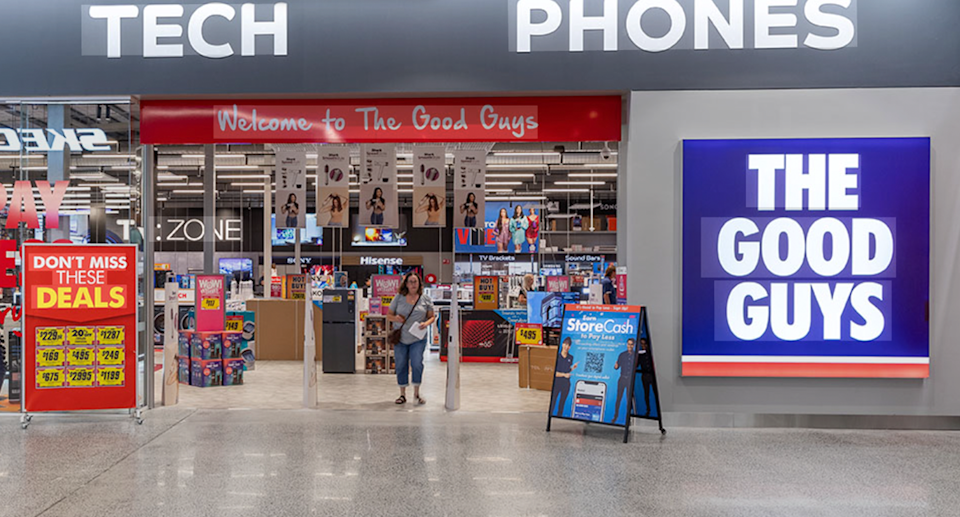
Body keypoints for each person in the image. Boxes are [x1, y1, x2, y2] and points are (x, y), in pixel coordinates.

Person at [387, 272, 436, 405]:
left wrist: (425, 323)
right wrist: (395, 318)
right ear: (406, 284)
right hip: (401, 338)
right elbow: (388, 315)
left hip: (418, 339)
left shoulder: (425, 299)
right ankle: (402, 394)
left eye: (415, 281)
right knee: (401, 365)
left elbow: (432, 316)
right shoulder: (399, 298)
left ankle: (416, 393)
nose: (413, 284)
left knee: (417, 364)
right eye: (410, 282)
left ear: (419, 283)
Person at [552, 337, 578, 417]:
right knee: (553, 401)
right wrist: (564, 375)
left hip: (566, 384)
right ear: (562, 344)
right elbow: (554, 373)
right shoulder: (557, 356)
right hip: (557, 382)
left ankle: (559, 416)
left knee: (562, 402)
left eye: (569, 345)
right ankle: (551, 415)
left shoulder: (571, 357)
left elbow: (567, 370)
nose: (567, 347)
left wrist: (572, 368)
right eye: (565, 344)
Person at [612, 338, 636, 424]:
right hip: (622, 379)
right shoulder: (622, 355)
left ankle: (628, 419)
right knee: (618, 398)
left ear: (633, 345)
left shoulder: (635, 355)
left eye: (631, 344)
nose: (629, 346)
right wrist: (616, 366)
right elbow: (617, 366)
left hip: (630, 379)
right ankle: (615, 416)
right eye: (628, 344)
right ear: (626, 344)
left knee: (628, 399)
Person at [637, 338, 656, 417]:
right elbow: (637, 365)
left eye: (644, 343)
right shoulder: (640, 355)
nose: (643, 345)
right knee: (646, 394)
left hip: (652, 375)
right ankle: (648, 409)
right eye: (641, 344)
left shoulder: (651, 353)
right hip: (644, 376)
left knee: (655, 392)